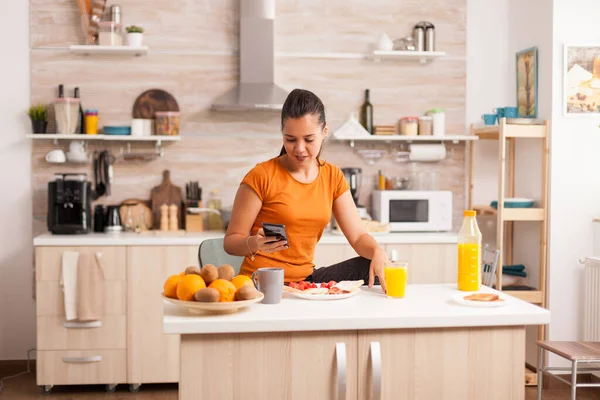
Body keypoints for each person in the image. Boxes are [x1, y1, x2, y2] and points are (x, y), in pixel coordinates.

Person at [223, 88, 387, 292]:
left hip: (305, 281)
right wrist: (254, 243)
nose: (299, 148)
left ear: (324, 132)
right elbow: (231, 242)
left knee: (374, 266)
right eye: (290, 139)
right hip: (261, 282)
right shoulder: (261, 175)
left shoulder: (332, 176)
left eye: (308, 139)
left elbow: (358, 237)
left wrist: (377, 251)